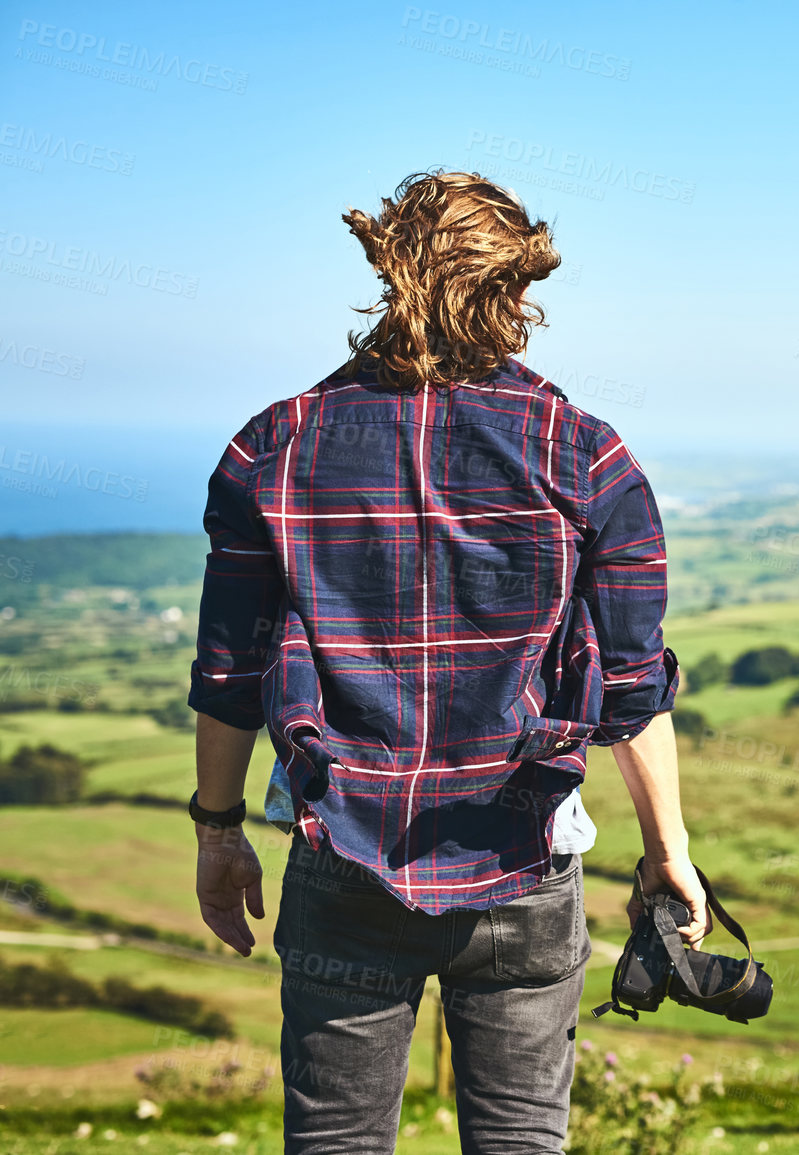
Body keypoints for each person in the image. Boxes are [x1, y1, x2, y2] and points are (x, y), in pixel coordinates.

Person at [184, 170, 710, 1154]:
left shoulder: (273, 448)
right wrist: (668, 854)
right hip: (525, 858)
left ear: (389, 278)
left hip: (342, 857)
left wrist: (217, 831)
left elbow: (229, 675)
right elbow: (631, 695)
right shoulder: (589, 457)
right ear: (517, 291)